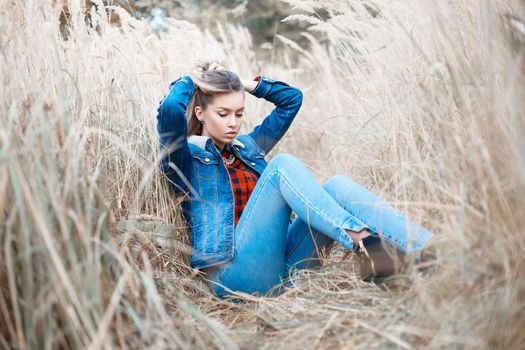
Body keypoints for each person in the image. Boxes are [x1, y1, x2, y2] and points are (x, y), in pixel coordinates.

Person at [156, 61, 435, 298]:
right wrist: (192, 80)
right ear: (200, 113)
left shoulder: (249, 147)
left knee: (338, 185)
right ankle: (364, 243)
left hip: (283, 267)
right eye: (223, 113)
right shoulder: (185, 160)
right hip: (231, 276)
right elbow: (170, 110)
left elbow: (292, 100)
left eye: (239, 113)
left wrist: (240, 82)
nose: (233, 123)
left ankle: (427, 250)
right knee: (281, 167)